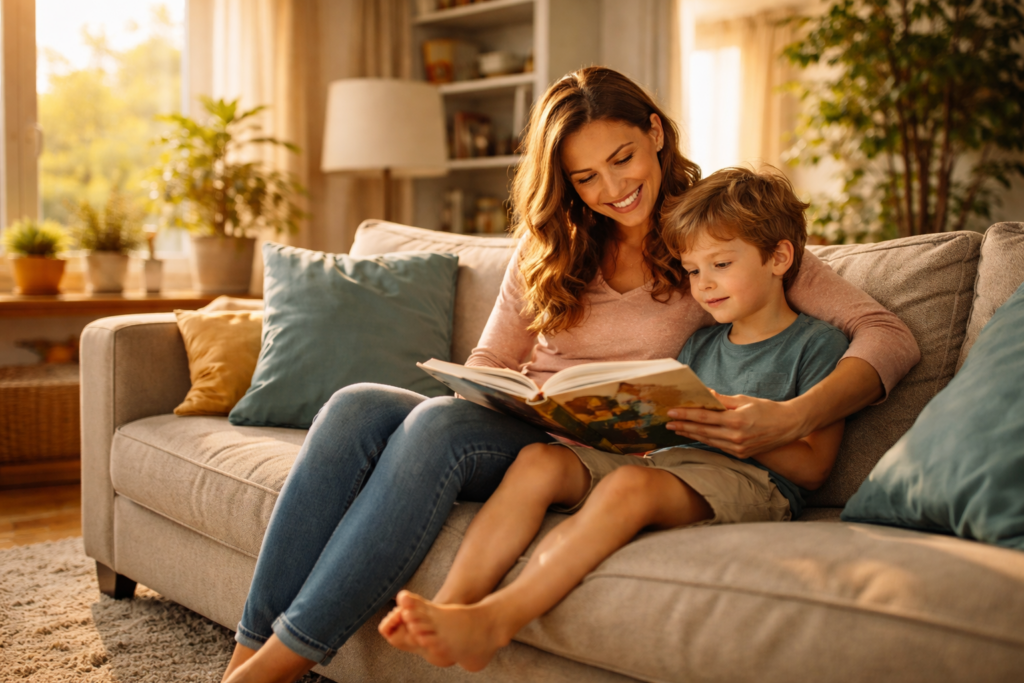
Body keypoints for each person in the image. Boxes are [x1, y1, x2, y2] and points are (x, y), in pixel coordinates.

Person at [222, 67, 920, 683]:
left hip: (617, 448)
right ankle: (243, 656)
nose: (613, 189)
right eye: (586, 177)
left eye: (623, 159)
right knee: (354, 405)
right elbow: (493, 363)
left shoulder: (711, 233)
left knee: (434, 423)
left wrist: (794, 416)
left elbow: (887, 334)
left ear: (655, 133)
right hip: (534, 424)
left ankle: (283, 664)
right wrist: (525, 400)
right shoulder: (553, 240)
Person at [380, 166, 850, 671]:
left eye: (720, 264)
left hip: (753, 481)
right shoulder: (701, 342)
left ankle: (495, 620)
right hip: (668, 464)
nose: (704, 285)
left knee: (628, 487)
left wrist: (741, 431)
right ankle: (449, 606)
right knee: (542, 461)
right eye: (693, 271)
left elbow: (814, 469)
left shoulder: (817, 345)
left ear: (778, 258)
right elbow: (659, 434)